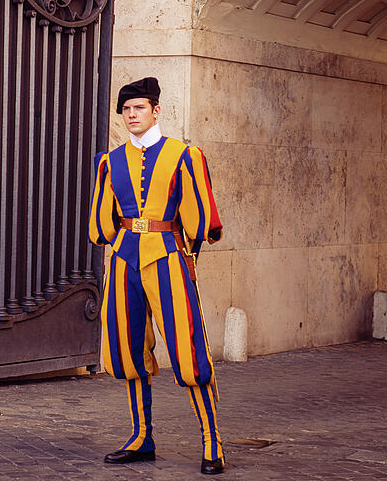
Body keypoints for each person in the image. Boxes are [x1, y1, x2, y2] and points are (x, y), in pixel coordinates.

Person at [88, 76, 226, 475]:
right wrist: (121, 245)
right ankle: (140, 436)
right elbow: (102, 222)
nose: (132, 115)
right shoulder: (109, 161)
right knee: (128, 350)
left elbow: (202, 219)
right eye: (126, 110)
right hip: (124, 261)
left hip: (169, 258)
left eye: (139, 109)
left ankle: (213, 442)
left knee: (189, 350)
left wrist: (187, 251)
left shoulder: (185, 155)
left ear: (156, 111)